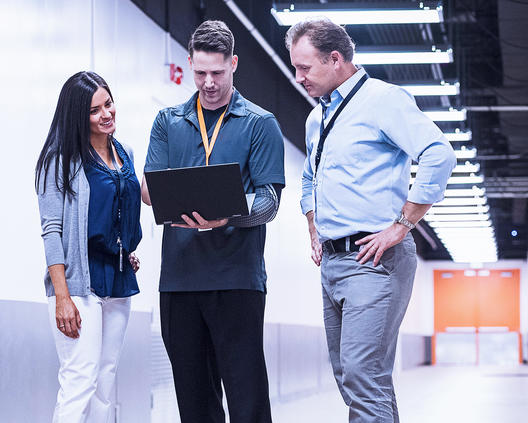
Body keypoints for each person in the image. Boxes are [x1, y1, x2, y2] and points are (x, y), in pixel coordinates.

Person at [286, 18, 456, 423]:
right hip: (333, 262)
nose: (298, 77)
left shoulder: (383, 100)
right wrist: (314, 221)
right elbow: (311, 177)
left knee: (363, 375)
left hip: (374, 260)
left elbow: (438, 154)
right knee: (355, 377)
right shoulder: (317, 119)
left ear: (335, 58)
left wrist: (403, 224)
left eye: (305, 67)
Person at [141, 20, 284, 423]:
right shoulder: (168, 121)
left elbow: (270, 203)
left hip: (236, 281)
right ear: (188, 63)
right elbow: (152, 191)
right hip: (179, 283)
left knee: (246, 398)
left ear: (234, 64)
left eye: (217, 73)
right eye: (200, 72)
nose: (208, 83)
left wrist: (228, 214)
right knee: (194, 400)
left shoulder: (260, 124)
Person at [35, 71, 142, 422]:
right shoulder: (60, 159)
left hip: (117, 278)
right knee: (79, 379)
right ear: (78, 116)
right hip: (79, 284)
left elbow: (119, 211)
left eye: (108, 103)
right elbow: (52, 230)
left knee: (105, 382)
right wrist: (62, 297)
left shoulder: (122, 152)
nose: (106, 114)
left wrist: (125, 248)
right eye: (95, 110)